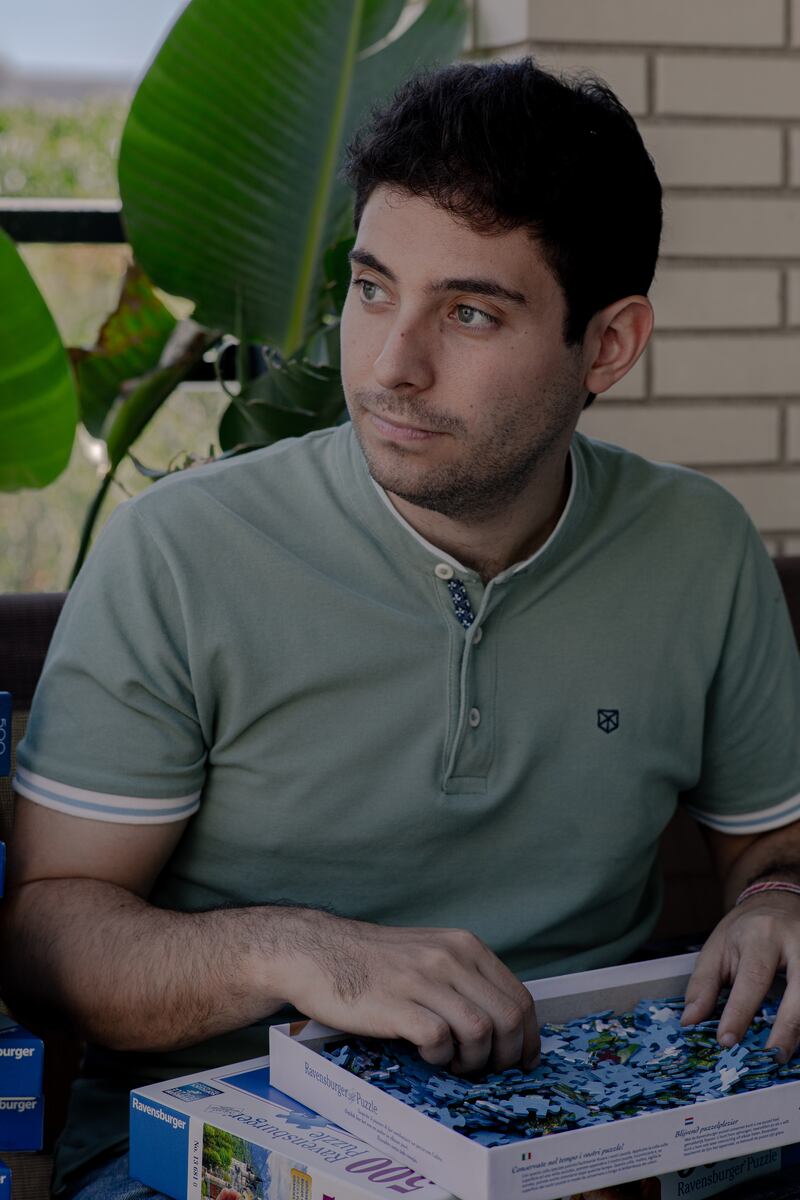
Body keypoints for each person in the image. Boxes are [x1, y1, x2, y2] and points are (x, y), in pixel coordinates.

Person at [3, 58, 800, 1200]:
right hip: (211, 1150)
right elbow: (46, 939)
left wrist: (775, 907)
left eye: (468, 312)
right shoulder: (179, 552)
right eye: (373, 289)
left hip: (594, 1145)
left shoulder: (698, 548)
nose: (389, 366)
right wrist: (302, 952)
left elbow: (772, 854)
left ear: (608, 346)